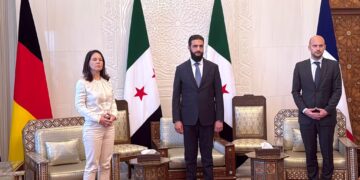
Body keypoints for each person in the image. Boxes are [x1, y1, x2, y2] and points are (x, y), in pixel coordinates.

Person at [172, 34, 224, 180]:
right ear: (189, 47)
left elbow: (219, 96)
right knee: (190, 159)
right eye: (195, 46)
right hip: (188, 121)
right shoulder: (181, 69)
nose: (198, 49)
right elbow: (176, 97)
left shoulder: (213, 68)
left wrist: (219, 119)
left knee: (207, 158)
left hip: (208, 120)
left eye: (201, 46)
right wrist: (177, 119)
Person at [292, 35, 342, 180]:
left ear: (325, 47)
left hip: (327, 118)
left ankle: (326, 178)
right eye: (315, 46)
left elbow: (337, 90)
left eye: (321, 45)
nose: (318, 48)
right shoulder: (300, 66)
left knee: (327, 152)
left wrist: (326, 110)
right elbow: (295, 91)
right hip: (306, 119)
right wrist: (305, 110)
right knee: (310, 152)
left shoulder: (333, 65)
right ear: (309, 47)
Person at [75, 50, 118, 180]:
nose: (98, 62)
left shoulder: (107, 82)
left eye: (100, 59)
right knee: (92, 165)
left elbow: (113, 102)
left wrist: (114, 115)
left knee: (105, 165)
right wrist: (98, 118)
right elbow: (80, 106)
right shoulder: (82, 83)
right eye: (94, 59)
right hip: (93, 128)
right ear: (88, 63)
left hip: (109, 127)